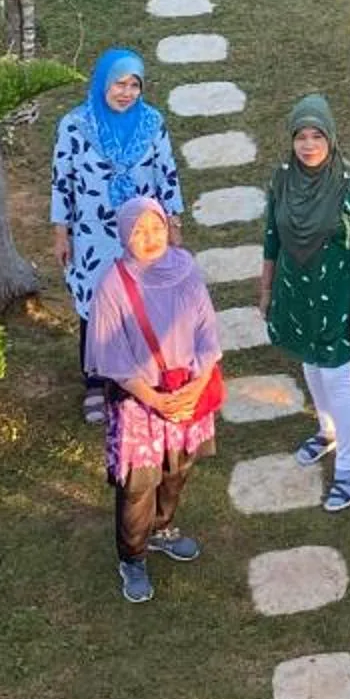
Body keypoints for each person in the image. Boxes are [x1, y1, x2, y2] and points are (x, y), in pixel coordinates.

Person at [79, 197, 223, 604]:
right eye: (139, 231)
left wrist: (194, 387)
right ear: (124, 235)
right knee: (140, 484)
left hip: (186, 391)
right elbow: (113, 358)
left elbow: (207, 331)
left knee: (178, 471)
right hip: (140, 401)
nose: (150, 238)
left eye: (156, 228)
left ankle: (162, 529)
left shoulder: (185, 269)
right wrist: (157, 401)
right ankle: (133, 556)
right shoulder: (112, 285)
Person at [260, 93, 350, 511]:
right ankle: (327, 430)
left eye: (317, 136)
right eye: (301, 136)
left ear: (330, 137)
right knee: (310, 365)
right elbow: (272, 239)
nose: (309, 145)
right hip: (296, 295)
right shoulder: (282, 178)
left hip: (339, 300)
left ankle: (349, 469)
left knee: (336, 377)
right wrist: (266, 291)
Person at [51, 49, 184, 419]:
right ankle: (95, 381)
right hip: (93, 235)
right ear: (102, 83)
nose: (126, 93)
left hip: (142, 235)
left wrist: (173, 226)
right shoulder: (75, 125)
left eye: (134, 85)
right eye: (119, 84)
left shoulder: (152, 123)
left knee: (139, 305)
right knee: (97, 307)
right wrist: (61, 232)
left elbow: (167, 175)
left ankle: (135, 381)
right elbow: (63, 182)